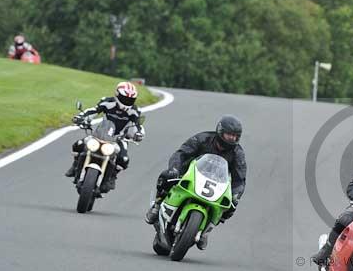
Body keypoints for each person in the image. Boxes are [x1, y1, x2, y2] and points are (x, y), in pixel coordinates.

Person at [144, 115, 247, 251]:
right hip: (188, 173)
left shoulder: (238, 153)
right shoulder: (202, 139)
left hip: (216, 183)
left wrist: (236, 194)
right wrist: (175, 168)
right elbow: (180, 154)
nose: (232, 139)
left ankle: (208, 229)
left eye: (235, 136)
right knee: (166, 176)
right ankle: (157, 205)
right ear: (220, 131)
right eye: (229, 135)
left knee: (232, 205)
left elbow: (240, 178)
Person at [65, 81, 145, 191]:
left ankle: (112, 177)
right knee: (78, 145)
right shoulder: (107, 102)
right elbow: (93, 111)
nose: (127, 101)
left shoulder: (134, 111)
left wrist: (138, 134)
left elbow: (138, 125)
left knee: (124, 159)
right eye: (124, 98)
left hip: (118, 139)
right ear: (117, 95)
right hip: (100, 134)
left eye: (130, 100)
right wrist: (81, 118)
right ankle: (75, 165)